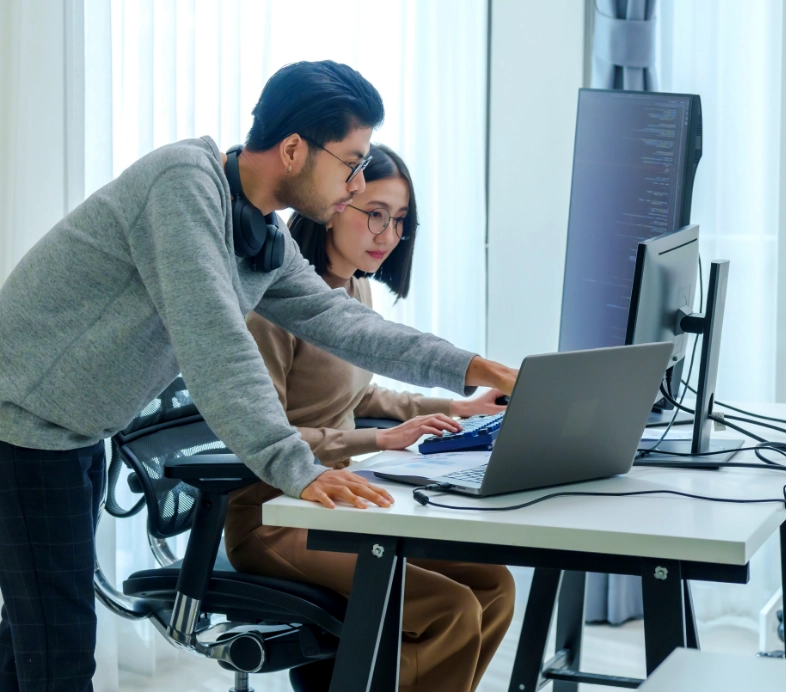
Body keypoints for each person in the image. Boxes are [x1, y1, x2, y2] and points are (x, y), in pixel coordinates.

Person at [0, 60, 517, 691]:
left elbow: (343, 322)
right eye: (351, 163)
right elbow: (215, 342)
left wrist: (470, 368)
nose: (356, 185)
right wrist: (296, 467)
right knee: (58, 656)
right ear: (296, 149)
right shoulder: (182, 187)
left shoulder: (260, 233)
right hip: (23, 427)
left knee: (28, 640)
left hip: (75, 430)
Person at [226, 143, 514, 692]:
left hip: (339, 501)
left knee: (493, 587)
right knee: (451, 609)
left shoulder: (353, 288)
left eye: (399, 220)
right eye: (376, 214)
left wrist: (455, 406)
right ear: (338, 203)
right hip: (274, 514)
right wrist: (377, 440)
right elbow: (261, 434)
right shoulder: (275, 306)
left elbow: (356, 390)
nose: (387, 234)